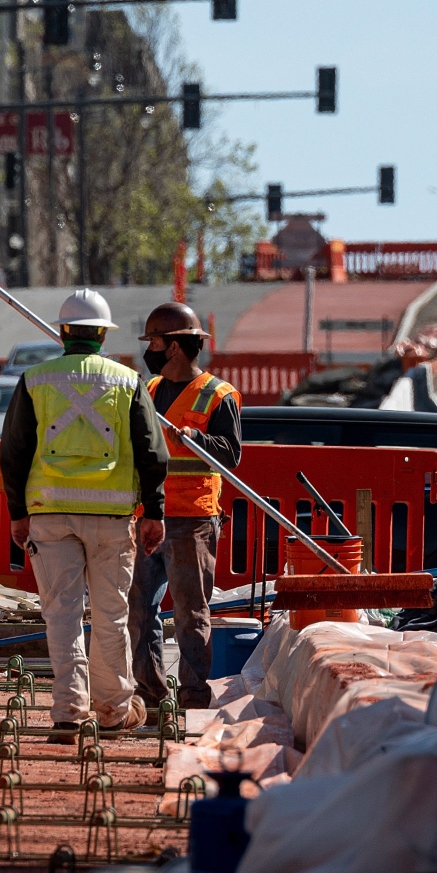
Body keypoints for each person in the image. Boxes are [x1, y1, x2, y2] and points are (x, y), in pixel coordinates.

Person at [0, 288, 168, 741]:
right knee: (111, 616)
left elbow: (13, 452)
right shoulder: (127, 381)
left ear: (63, 332)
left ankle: (69, 712)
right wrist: (154, 511)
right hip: (112, 518)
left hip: (50, 515)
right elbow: (153, 452)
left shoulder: (35, 380)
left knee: (62, 616)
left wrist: (19, 513)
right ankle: (113, 711)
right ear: (102, 335)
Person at [128, 301, 240, 714]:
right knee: (139, 610)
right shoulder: (151, 390)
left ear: (173, 346)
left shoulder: (218, 395)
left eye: (154, 342)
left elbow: (231, 454)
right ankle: (151, 693)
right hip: (148, 516)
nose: (149, 350)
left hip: (192, 519)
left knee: (191, 614)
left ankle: (192, 696)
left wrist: (196, 438)